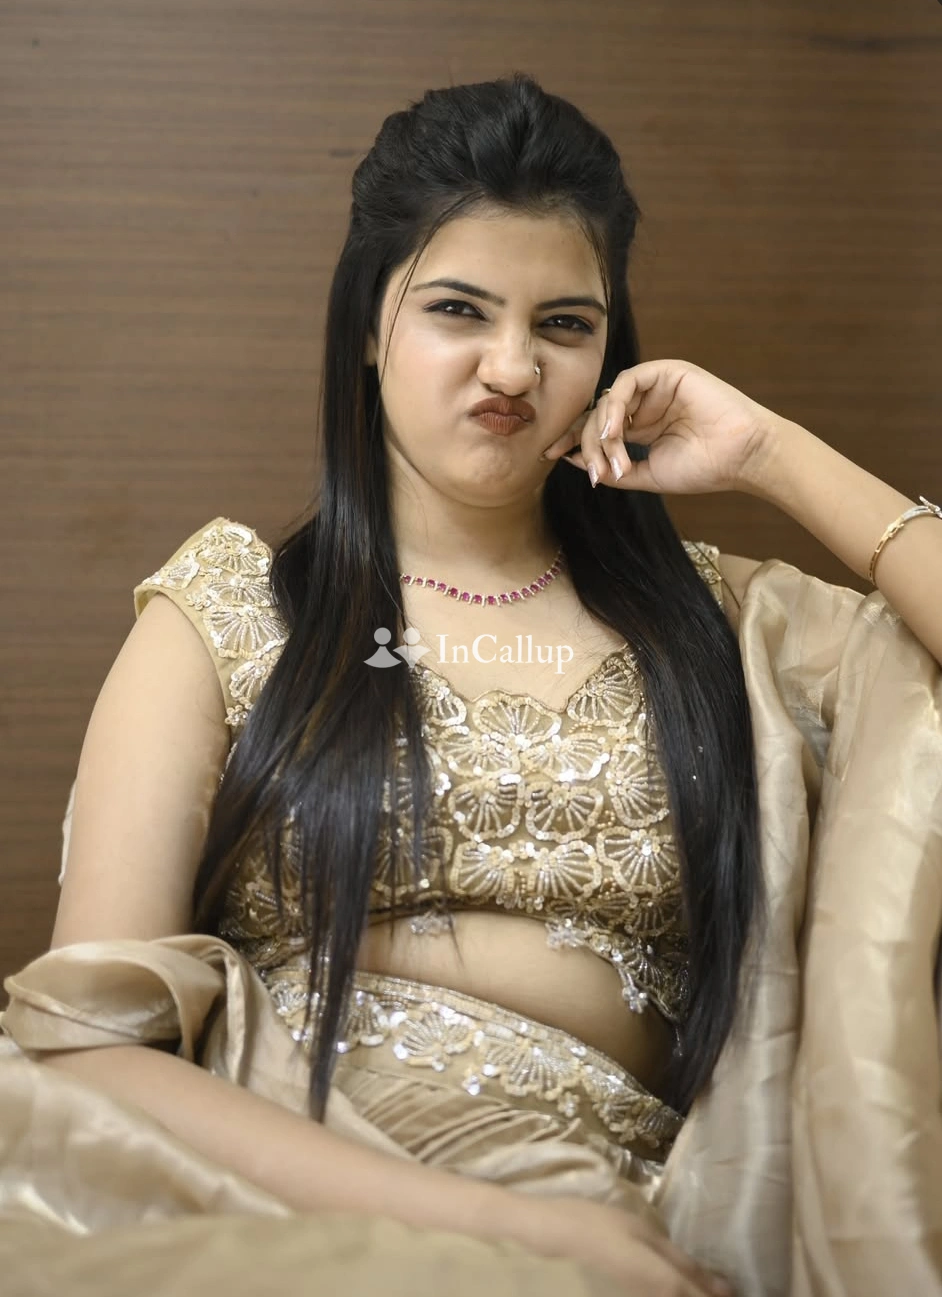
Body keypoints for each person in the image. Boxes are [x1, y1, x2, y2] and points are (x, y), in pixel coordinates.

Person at [2, 73, 942, 1297]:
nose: (511, 368)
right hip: (274, 1186)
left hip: (616, 1205)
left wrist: (770, 451)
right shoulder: (234, 612)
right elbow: (82, 1044)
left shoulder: (723, 626)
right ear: (367, 325)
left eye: (565, 324)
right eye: (458, 309)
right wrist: (504, 1231)